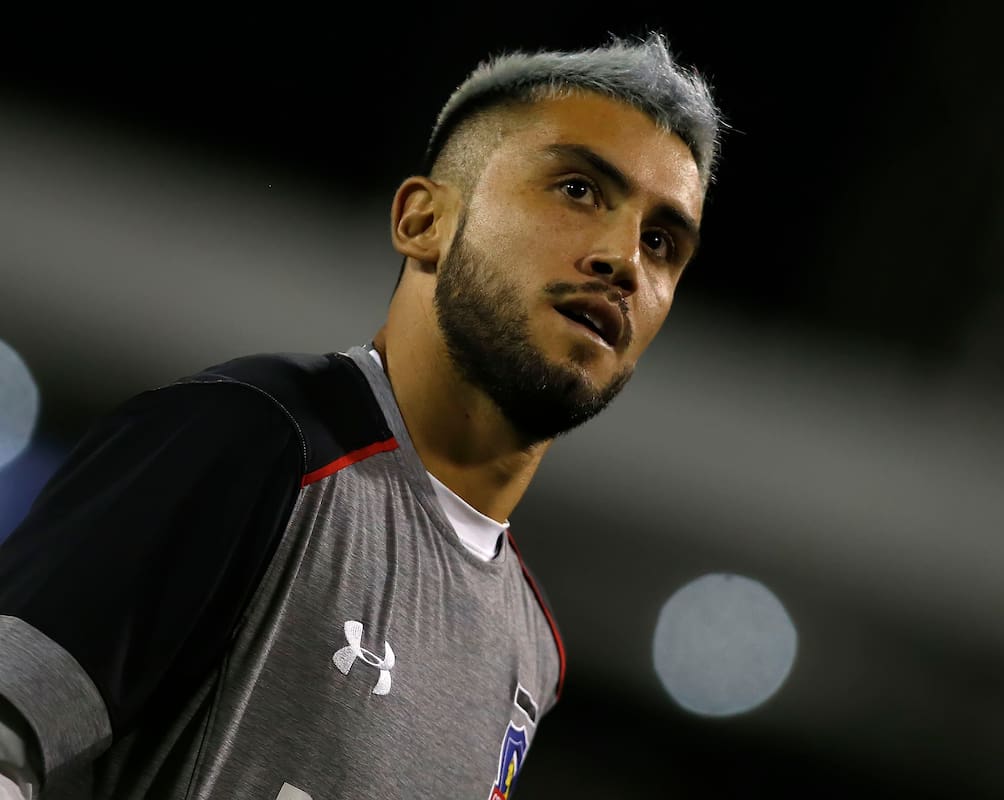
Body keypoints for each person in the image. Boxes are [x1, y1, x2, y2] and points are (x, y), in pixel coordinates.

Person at [0, 30, 725, 800]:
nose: (624, 260)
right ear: (424, 222)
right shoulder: (255, 441)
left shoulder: (533, 649)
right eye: (578, 190)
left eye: (661, 241)